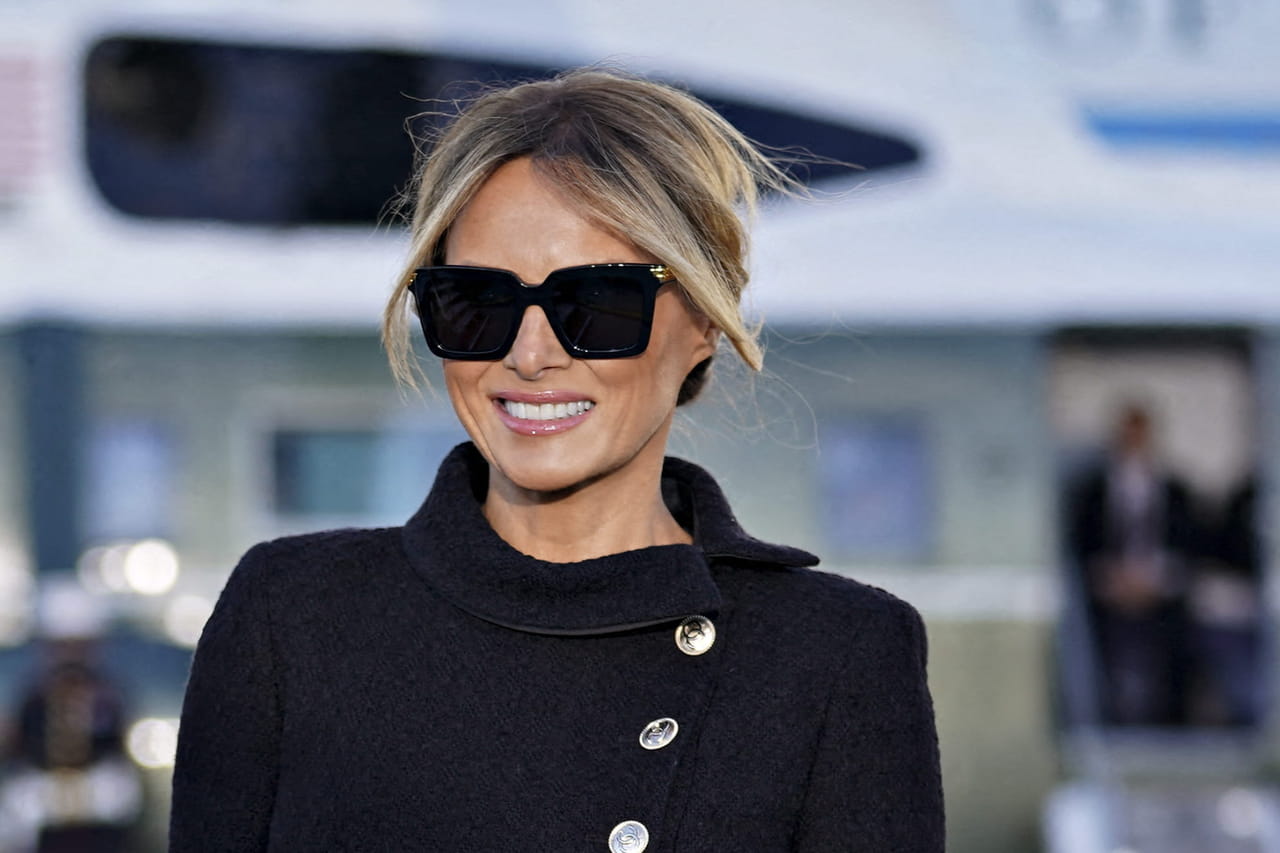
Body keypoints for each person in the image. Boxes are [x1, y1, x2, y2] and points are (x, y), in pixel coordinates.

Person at [170, 68, 944, 852]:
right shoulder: (291, 617)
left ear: (705, 322)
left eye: (596, 303)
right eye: (479, 302)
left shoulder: (836, 654)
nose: (530, 353)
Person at [1067, 404, 1198, 726]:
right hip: (1108, 596)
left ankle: (1167, 726)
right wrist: (1111, 578)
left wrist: (1156, 579)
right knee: (1107, 667)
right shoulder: (1092, 491)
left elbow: (1190, 546)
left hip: (1162, 597)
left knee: (1167, 666)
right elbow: (1081, 544)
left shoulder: (1176, 490)